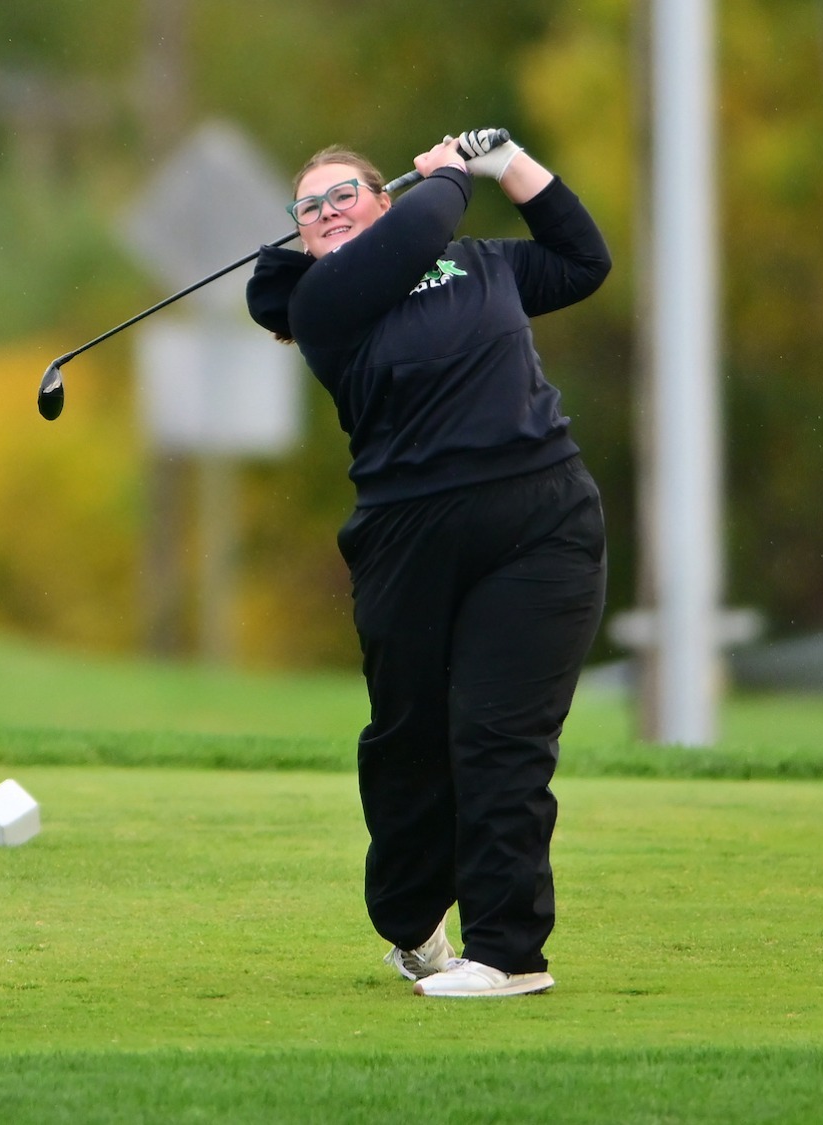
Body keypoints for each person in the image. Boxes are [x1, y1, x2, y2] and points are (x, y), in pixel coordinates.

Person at [246, 130, 611, 998]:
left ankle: (509, 952)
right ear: (302, 234)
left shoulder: (479, 264)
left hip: (541, 518)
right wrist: (450, 176)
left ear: (381, 196)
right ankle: (412, 919)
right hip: (409, 534)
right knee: (412, 741)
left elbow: (583, 259)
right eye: (311, 205)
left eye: (345, 194)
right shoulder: (322, 300)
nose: (329, 211)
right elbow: (409, 238)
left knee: (502, 739)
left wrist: (509, 162)